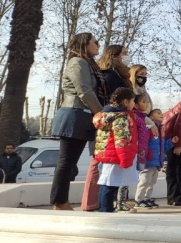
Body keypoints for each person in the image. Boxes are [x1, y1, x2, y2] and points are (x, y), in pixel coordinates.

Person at [50, 33, 105, 211]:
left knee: (69, 162)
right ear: (85, 44)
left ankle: (60, 201)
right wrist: (102, 114)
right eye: (95, 42)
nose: (98, 45)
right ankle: (59, 202)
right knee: (66, 161)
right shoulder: (78, 63)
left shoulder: (87, 63)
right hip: (74, 115)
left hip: (82, 116)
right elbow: (85, 92)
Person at [93, 87, 139, 213]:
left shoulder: (106, 115)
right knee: (110, 185)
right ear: (125, 102)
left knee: (106, 183)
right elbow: (122, 139)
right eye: (133, 101)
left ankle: (104, 208)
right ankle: (106, 210)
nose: (134, 104)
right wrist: (125, 159)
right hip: (116, 157)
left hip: (107, 154)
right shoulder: (121, 117)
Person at [135, 108, 165, 209]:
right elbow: (144, 143)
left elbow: (162, 146)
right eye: (158, 113)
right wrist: (144, 157)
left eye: (161, 113)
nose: (161, 115)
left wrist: (172, 142)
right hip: (148, 161)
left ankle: (147, 198)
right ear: (151, 117)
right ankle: (139, 200)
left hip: (156, 162)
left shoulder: (161, 130)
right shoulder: (149, 129)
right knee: (144, 181)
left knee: (151, 182)